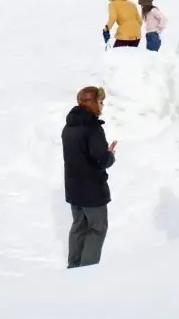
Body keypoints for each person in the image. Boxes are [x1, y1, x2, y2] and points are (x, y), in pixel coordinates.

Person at [62, 86, 116, 268]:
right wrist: (110, 155)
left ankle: (73, 267)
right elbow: (101, 159)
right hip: (92, 191)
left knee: (78, 227)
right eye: (100, 102)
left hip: (73, 189)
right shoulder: (92, 129)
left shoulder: (68, 127)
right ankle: (87, 273)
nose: (102, 106)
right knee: (97, 229)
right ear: (90, 103)